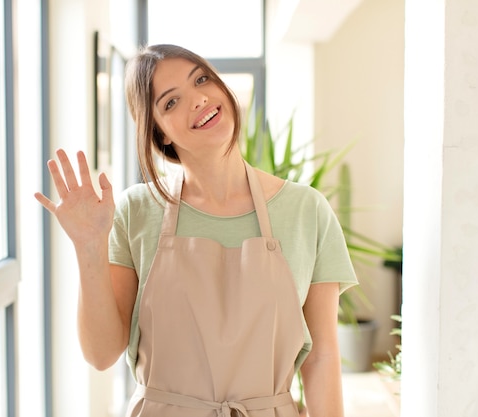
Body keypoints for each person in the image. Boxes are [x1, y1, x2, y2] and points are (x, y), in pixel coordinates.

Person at [35, 44, 357, 417]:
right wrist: (89, 247)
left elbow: (322, 357)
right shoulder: (137, 211)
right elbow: (101, 354)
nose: (199, 99)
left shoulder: (306, 210)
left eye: (201, 79)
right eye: (171, 102)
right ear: (159, 134)